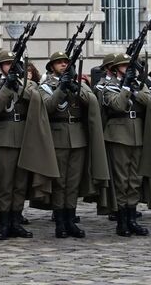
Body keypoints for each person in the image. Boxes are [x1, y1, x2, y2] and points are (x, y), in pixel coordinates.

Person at [0, 50, 57, 240]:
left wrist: (18, 84)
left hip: (25, 138)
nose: (10, 66)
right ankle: (4, 222)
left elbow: (36, 99)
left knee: (20, 184)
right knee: (5, 184)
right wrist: (7, 87)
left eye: (13, 63)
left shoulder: (28, 84)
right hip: (2, 139)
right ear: (0, 67)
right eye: (7, 64)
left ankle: (16, 221)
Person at [100, 53, 151, 237]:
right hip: (118, 135)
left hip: (138, 135)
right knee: (121, 180)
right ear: (116, 69)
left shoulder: (140, 84)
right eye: (125, 66)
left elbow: (150, 101)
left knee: (135, 180)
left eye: (130, 66)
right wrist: (125, 87)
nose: (128, 69)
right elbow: (117, 105)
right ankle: (122, 221)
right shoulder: (109, 86)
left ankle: (132, 218)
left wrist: (135, 90)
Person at [39, 51, 109, 239]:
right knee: (60, 182)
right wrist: (61, 88)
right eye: (59, 62)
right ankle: (60, 222)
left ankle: (71, 219)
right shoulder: (46, 86)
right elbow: (47, 107)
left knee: (73, 183)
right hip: (58, 137)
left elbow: (91, 101)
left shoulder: (78, 83)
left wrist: (75, 86)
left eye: (66, 62)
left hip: (78, 137)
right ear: (51, 67)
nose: (63, 65)